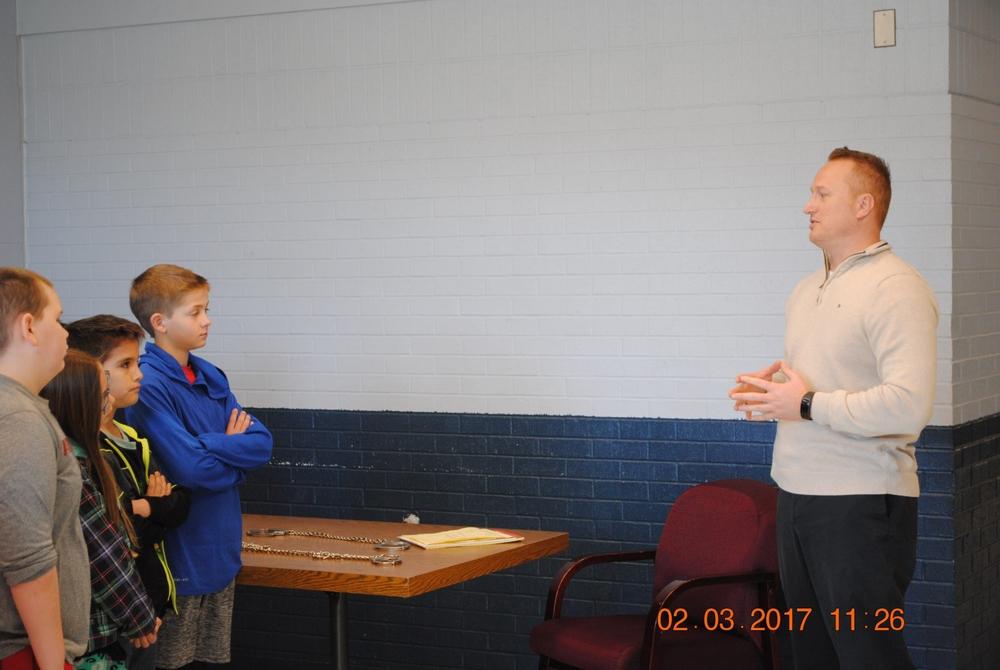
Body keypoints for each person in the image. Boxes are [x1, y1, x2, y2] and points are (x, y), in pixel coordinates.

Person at [730, 147, 938, 669]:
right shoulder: (807, 289)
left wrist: (803, 402)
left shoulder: (897, 287)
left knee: (871, 655)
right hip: (797, 496)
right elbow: (819, 391)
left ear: (864, 204)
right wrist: (774, 391)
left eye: (822, 194)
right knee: (810, 655)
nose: (808, 205)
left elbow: (907, 405)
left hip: (861, 506)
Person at [123, 264, 273, 670]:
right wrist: (230, 451)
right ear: (160, 322)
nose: (207, 320)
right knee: (171, 662)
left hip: (220, 550)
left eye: (206, 309)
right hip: (179, 554)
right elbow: (193, 471)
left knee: (209, 661)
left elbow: (261, 444)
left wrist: (209, 443)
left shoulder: (210, 375)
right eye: (195, 312)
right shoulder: (148, 383)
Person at [66, 316, 191, 670]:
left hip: (147, 599)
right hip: (108, 617)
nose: (139, 374)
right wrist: (152, 508)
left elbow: (179, 503)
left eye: (137, 362)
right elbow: (116, 535)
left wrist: (146, 507)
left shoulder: (132, 435)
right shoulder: (84, 451)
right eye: (125, 365)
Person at [41, 350, 160, 670]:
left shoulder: (78, 458)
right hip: (92, 639)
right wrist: (140, 617)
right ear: (79, 404)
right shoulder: (73, 469)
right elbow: (104, 554)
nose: (108, 404)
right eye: (103, 395)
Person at [0, 267, 88, 670]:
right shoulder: (16, 416)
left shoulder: (23, 408)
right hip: (24, 652)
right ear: (29, 327)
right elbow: (27, 560)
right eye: (58, 318)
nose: (67, 334)